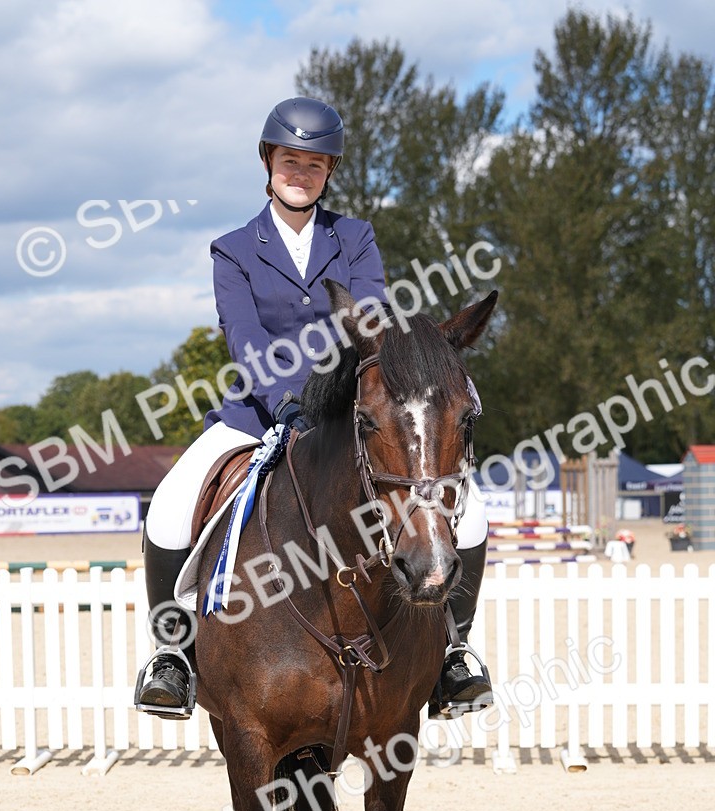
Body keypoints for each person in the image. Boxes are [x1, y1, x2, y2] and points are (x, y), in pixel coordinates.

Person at [135, 96, 493, 721]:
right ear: (269, 162)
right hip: (256, 413)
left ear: (329, 172)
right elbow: (243, 337)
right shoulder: (233, 250)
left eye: (315, 164)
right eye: (289, 160)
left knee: (476, 514)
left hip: (348, 412)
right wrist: (284, 406)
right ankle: (173, 656)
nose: (300, 173)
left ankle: (453, 653)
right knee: (169, 506)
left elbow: (373, 319)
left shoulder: (353, 237)